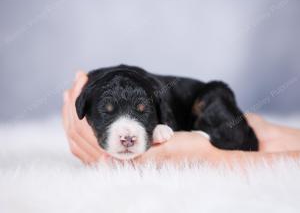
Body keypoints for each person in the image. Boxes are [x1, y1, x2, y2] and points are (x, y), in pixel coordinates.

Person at [62, 71, 300, 167]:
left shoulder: (164, 99)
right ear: (84, 106)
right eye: (108, 110)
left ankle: (224, 138)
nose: (126, 135)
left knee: (217, 107)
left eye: (142, 110)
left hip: (209, 100)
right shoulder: (91, 89)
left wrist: (211, 156)